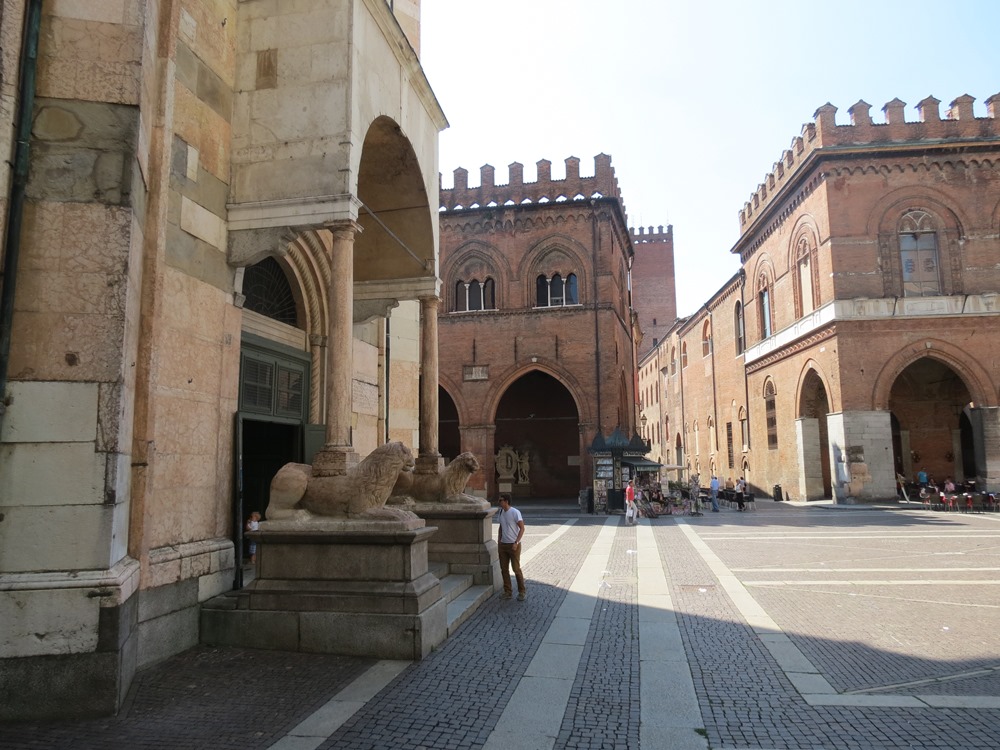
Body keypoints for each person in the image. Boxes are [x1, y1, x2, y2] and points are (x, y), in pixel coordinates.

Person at [497, 494, 526, 600]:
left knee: (516, 569)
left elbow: (522, 528)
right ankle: (507, 591)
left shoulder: (515, 512)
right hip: (503, 545)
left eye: (501, 500)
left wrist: (516, 542)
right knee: (504, 569)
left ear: (506, 501)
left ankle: (522, 591)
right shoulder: (501, 512)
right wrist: (499, 539)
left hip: (514, 545)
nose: (499, 502)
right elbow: (501, 526)